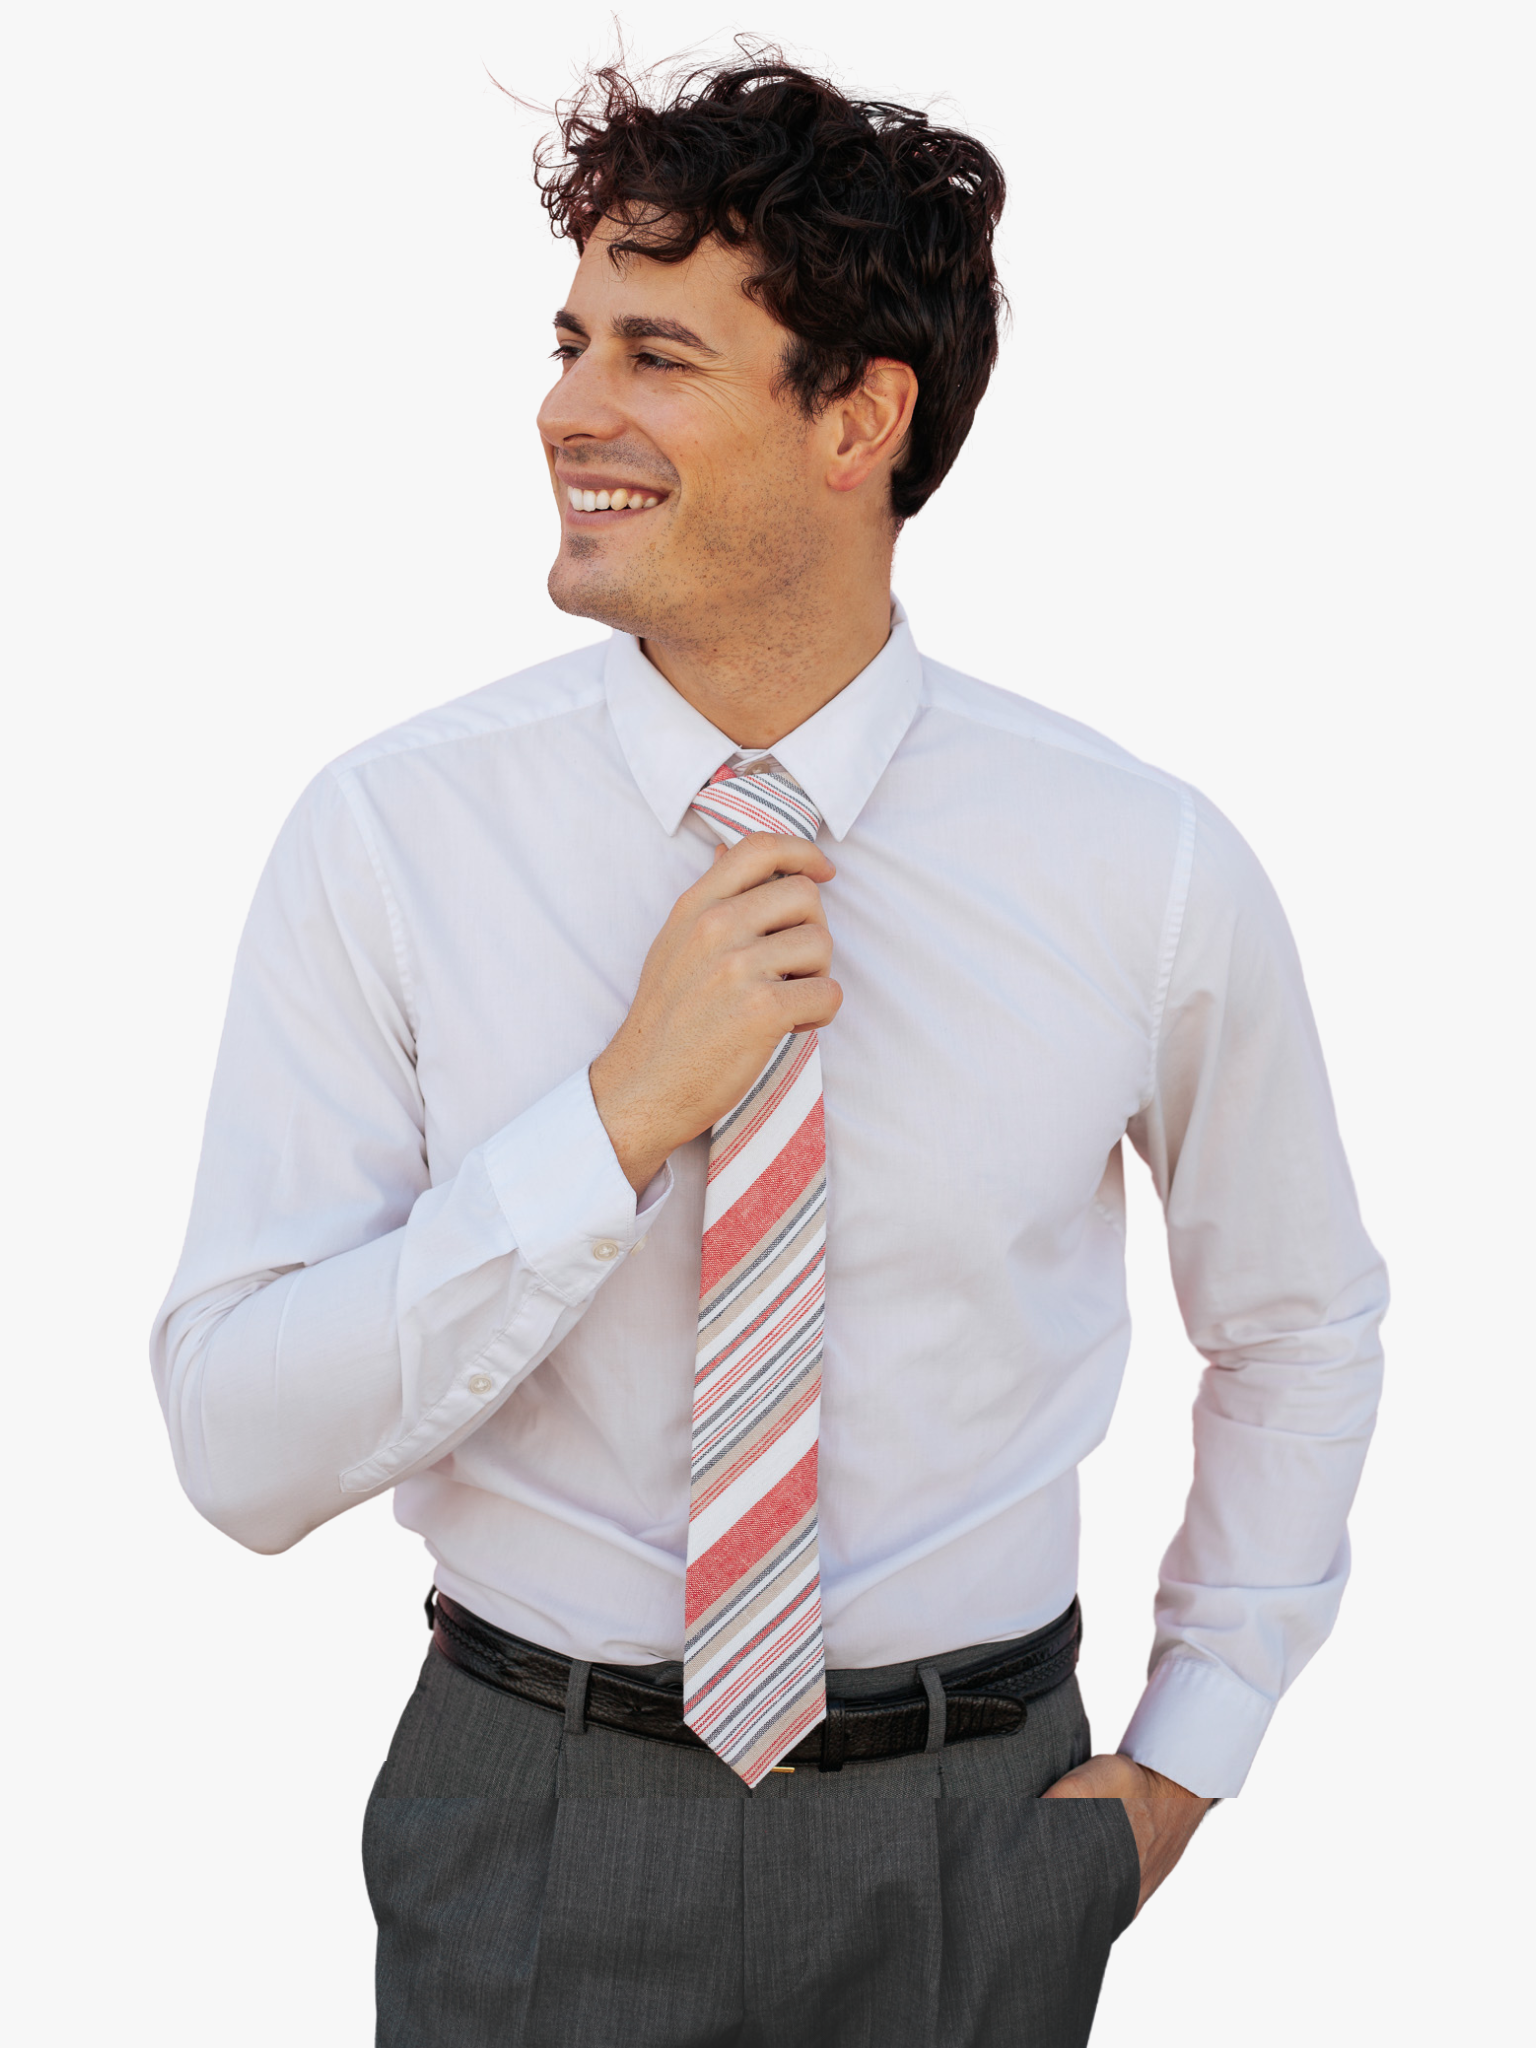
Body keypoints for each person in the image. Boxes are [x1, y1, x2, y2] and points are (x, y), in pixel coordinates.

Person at [152, 55, 1387, 2048]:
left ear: (860, 415)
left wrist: (1181, 1763)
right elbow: (236, 1441)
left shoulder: (1135, 861)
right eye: (568, 342)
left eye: (657, 353)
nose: (568, 407)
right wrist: (619, 1114)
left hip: (977, 1833)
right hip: (532, 1822)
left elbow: (1301, 1320)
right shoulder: (390, 837)